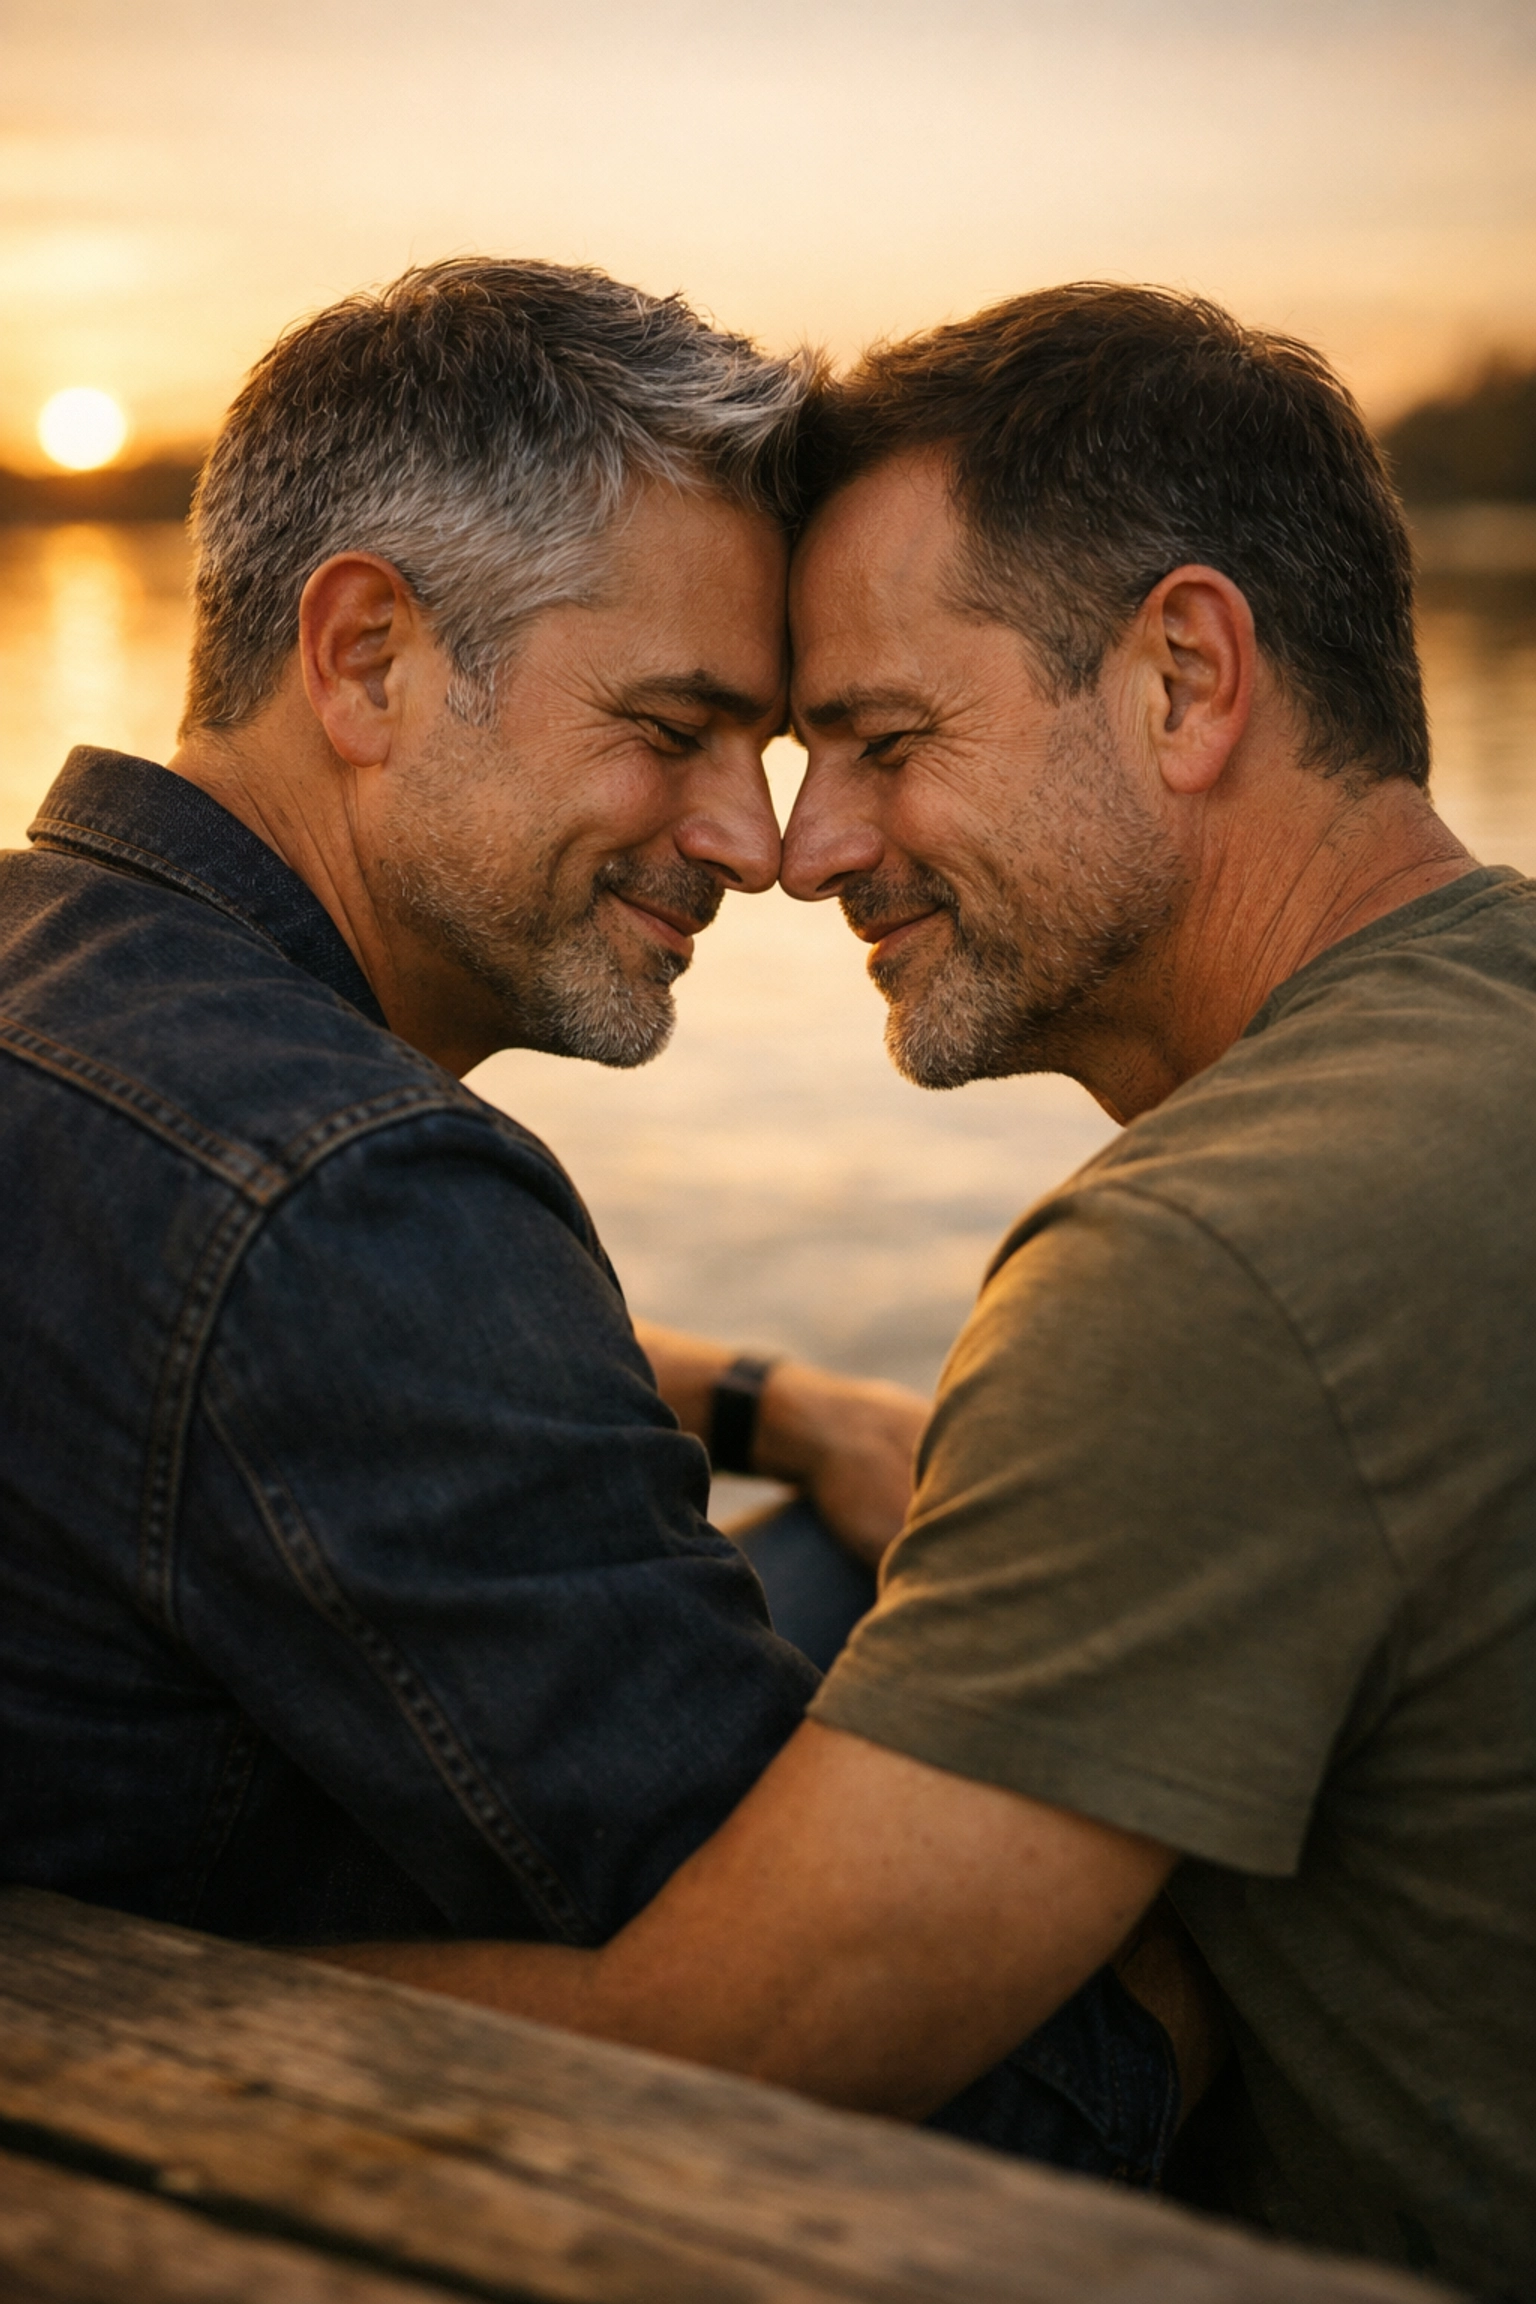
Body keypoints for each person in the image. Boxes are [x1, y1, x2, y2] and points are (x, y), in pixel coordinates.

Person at [322, 288, 1536, 2300]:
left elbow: (734, 2062)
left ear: (1187, 677)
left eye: (887, 743)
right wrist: (780, 1403)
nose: (804, 853)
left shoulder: (1221, 1259)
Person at [0, 255, 925, 1951]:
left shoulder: (55, 979)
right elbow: (921, 2067)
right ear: (365, 658)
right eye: (674, 726)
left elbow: (199, 1320)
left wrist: (780, 1410)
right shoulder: (355, 1194)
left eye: (771, 751)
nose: (760, 845)